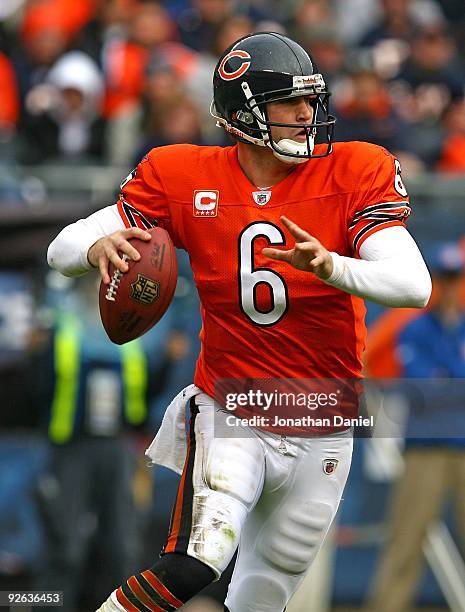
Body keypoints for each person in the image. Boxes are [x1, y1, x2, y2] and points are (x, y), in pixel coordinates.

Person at [47, 32, 432, 612]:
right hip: (234, 406)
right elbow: (62, 247)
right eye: (289, 102)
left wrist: (331, 265)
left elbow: (413, 284)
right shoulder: (181, 173)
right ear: (242, 114)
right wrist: (97, 246)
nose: (308, 115)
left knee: (265, 592)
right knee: (199, 557)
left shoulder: (354, 168)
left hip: (324, 414)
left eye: (311, 100)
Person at [365, 242, 465, 612]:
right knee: (405, 540)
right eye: (446, 278)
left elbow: (441, 383)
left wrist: (446, 381)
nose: (451, 287)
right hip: (425, 449)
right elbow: (421, 388)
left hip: (461, 444)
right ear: (436, 281)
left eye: (456, 279)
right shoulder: (414, 328)